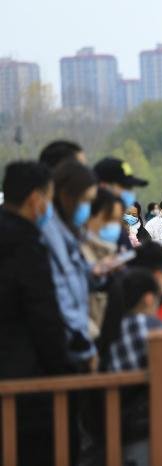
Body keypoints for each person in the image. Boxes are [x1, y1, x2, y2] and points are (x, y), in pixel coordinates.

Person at [0, 161, 70, 466]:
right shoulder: (28, 245)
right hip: (26, 382)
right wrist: (66, 368)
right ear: (34, 199)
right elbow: (43, 316)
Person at [98, 268, 162, 466]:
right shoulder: (150, 324)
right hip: (147, 422)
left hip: (116, 422)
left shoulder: (114, 328)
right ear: (148, 298)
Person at [43, 160, 98, 371]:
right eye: (85, 200)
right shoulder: (51, 232)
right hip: (69, 349)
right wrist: (85, 348)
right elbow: (62, 292)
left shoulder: (69, 231)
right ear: (67, 196)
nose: (87, 208)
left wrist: (94, 274)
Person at [81, 188, 123, 339]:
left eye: (118, 220)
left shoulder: (110, 251)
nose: (114, 226)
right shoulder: (79, 249)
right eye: (109, 219)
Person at [94, 157, 149, 250]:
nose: (130, 192)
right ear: (103, 186)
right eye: (125, 186)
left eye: (131, 188)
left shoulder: (125, 232)